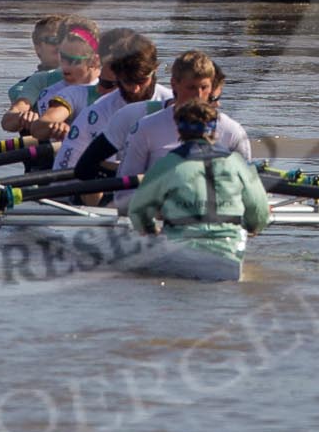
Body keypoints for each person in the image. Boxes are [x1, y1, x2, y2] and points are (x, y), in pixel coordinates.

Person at [125, 99, 271, 277]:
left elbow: (138, 210)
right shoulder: (237, 163)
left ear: (179, 129)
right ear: (215, 130)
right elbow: (259, 208)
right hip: (229, 246)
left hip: (179, 246)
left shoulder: (166, 164)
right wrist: (252, 227)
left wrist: (150, 232)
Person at [75, 50, 250, 182]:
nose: (198, 95)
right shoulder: (145, 128)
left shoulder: (233, 131)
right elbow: (124, 192)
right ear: (174, 83)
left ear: (212, 86)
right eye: (191, 88)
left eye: (204, 88)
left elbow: (248, 186)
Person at [55, 33, 166, 172]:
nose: (135, 89)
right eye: (128, 81)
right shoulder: (96, 114)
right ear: (117, 75)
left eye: (141, 80)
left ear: (155, 70)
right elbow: (68, 171)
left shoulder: (170, 102)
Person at [19, 19, 102, 146]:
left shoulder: (115, 82)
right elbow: (38, 128)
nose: (65, 66)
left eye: (73, 61)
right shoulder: (54, 90)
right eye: (63, 58)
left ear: (95, 61)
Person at [0, 14, 67, 134]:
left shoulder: (91, 80)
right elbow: (9, 121)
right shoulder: (22, 88)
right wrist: (23, 116)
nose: (59, 45)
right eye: (53, 40)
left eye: (65, 39)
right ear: (38, 48)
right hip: (40, 147)